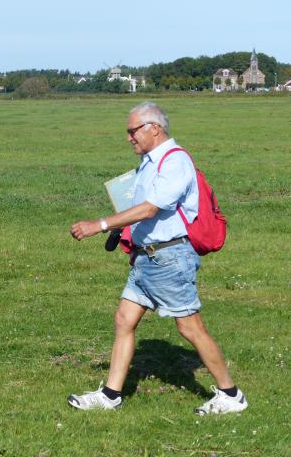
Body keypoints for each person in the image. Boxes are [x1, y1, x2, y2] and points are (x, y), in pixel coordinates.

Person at [67, 102, 247, 415]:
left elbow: (151, 208)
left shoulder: (174, 161)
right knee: (124, 319)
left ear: (154, 128)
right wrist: (125, 234)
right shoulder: (149, 162)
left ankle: (231, 395)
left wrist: (101, 224)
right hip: (147, 259)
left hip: (168, 259)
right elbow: (139, 206)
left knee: (190, 328)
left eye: (133, 130)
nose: (129, 138)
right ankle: (111, 394)